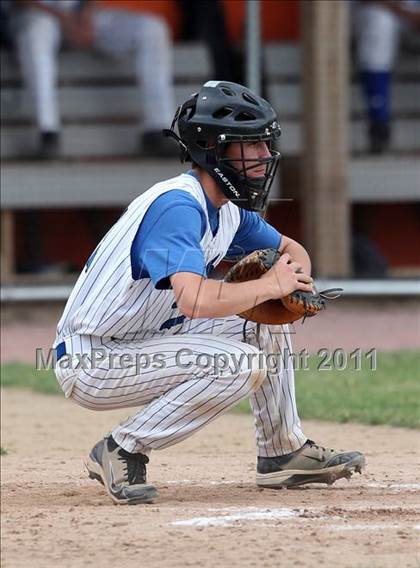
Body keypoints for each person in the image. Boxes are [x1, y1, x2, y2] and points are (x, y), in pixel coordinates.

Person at [53, 81, 365, 505]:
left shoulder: (227, 210)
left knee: (266, 313)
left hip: (144, 340)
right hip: (93, 361)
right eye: (249, 145)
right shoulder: (178, 207)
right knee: (241, 363)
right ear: (212, 151)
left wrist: (294, 282)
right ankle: (121, 448)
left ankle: (282, 452)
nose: (263, 156)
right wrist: (271, 284)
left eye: (263, 144)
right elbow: (194, 301)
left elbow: (292, 250)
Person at [10, 0, 177, 158]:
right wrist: (64, 19)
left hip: (81, 17)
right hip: (37, 14)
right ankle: (47, 132)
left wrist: (86, 15)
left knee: (152, 29)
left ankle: (157, 130)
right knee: (37, 32)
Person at [354, 0, 420, 153]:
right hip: (377, 9)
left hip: (408, 11)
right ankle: (379, 123)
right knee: (378, 21)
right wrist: (405, 12)